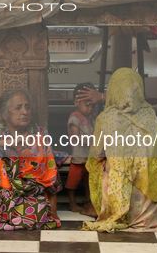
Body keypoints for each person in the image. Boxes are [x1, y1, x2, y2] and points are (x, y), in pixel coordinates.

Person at [82, 68, 157, 232]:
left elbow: (98, 155)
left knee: (99, 167)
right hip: (148, 182)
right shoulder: (149, 114)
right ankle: (149, 215)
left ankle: (110, 210)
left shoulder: (107, 117)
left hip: (117, 183)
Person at [0, 89, 62, 230]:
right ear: (5, 113)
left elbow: (50, 173)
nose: (25, 112)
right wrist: (9, 141)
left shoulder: (39, 133)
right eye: (18, 107)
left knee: (35, 217)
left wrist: (53, 211)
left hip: (27, 192)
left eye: (27, 107)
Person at [66, 83, 97, 217]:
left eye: (92, 105)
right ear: (76, 102)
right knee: (72, 182)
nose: (90, 108)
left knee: (89, 182)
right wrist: (90, 142)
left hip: (90, 158)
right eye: (87, 105)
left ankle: (88, 202)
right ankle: (72, 203)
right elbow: (75, 136)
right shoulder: (74, 118)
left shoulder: (92, 117)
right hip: (78, 157)